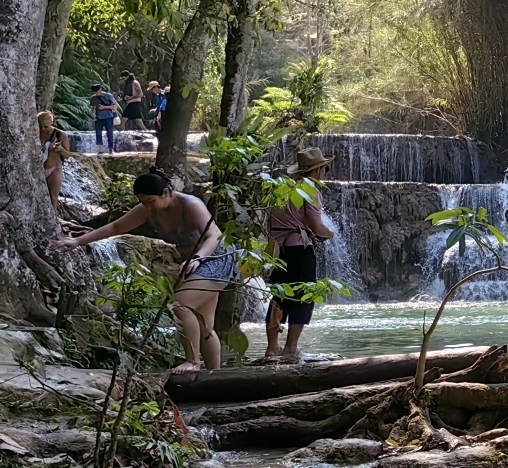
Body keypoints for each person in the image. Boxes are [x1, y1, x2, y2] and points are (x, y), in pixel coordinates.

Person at [54, 171, 231, 372]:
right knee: (204, 325)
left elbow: (214, 235)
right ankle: (214, 375)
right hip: (193, 262)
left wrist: (199, 258)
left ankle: (193, 362)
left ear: (166, 193)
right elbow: (116, 227)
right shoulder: (148, 209)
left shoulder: (191, 205)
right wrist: (77, 241)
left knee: (181, 305)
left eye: (150, 201)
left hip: (216, 257)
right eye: (143, 202)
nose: (147, 206)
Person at [261, 148, 335, 362]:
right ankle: (290, 348)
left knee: (279, 297)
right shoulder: (310, 189)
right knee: (303, 296)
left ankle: (271, 349)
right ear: (318, 169)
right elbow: (316, 226)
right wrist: (328, 234)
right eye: (324, 168)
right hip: (299, 249)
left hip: (278, 251)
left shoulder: (282, 188)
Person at [37, 112, 69, 214]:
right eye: (40, 126)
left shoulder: (61, 135)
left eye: (46, 126)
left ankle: (55, 219)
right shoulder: (34, 133)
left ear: (52, 122)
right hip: (37, 171)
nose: (43, 129)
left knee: (53, 198)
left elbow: (67, 156)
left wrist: (60, 150)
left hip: (54, 170)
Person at [87, 84, 117, 153]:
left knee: (109, 133)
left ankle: (111, 149)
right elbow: (93, 108)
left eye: (97, 91)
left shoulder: (108, 96)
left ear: (100, 89)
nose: (96, 93)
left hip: (108, 117)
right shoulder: (93, 98)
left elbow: (114, 106)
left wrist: (104, 107)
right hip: (98, 118)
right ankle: (101, 150)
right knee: (98, 133)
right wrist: (93, 115)